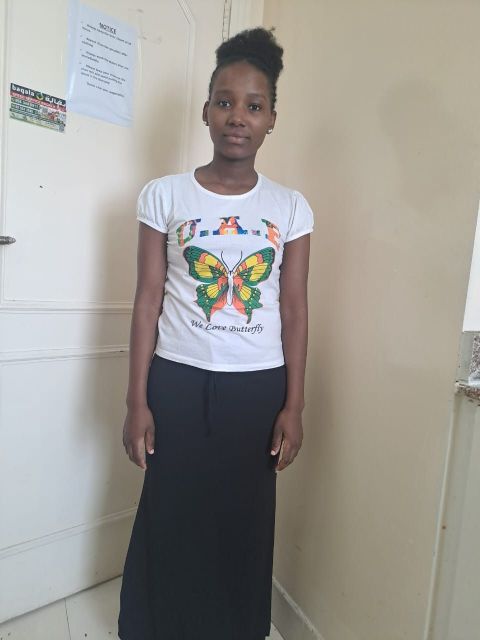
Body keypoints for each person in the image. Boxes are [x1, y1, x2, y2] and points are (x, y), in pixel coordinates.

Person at [118, 26, 314, 640]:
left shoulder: (290, 208)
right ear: (206, 111)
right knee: (171, 509)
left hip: (257, 389)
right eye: (225, 102)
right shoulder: (164, 195)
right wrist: (136, 400)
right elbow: (148, 299)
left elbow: (295, 310)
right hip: (176, 380)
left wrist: (294, 405)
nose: (237, 118)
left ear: (272, 119)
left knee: (243, 517)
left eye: (254, 106)